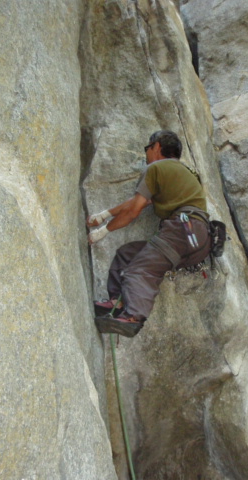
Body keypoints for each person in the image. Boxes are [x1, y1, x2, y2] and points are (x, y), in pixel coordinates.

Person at [87, 130, 211, 337]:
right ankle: (118, 303)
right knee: (128, 254)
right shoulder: (181, 172)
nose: (146, 154)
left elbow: (133, 212)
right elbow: (140, 201)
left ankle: (133, 317)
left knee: (141, 270)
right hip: (198, 241)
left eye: (148, 148)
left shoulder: (156, 168)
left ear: (157, 147)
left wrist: (102, 232)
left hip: (182, 229)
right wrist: (105, 214)